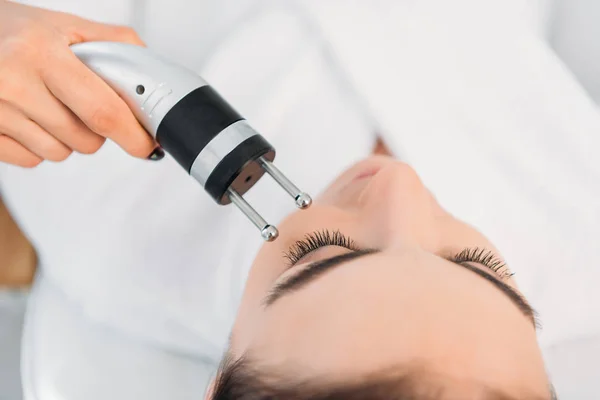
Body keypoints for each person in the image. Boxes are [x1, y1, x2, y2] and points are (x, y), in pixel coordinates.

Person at [0, 0, 599, 399]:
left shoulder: (113, 225)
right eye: (483, 267)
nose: (401, 183)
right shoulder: (582, 229)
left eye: (320, 251)